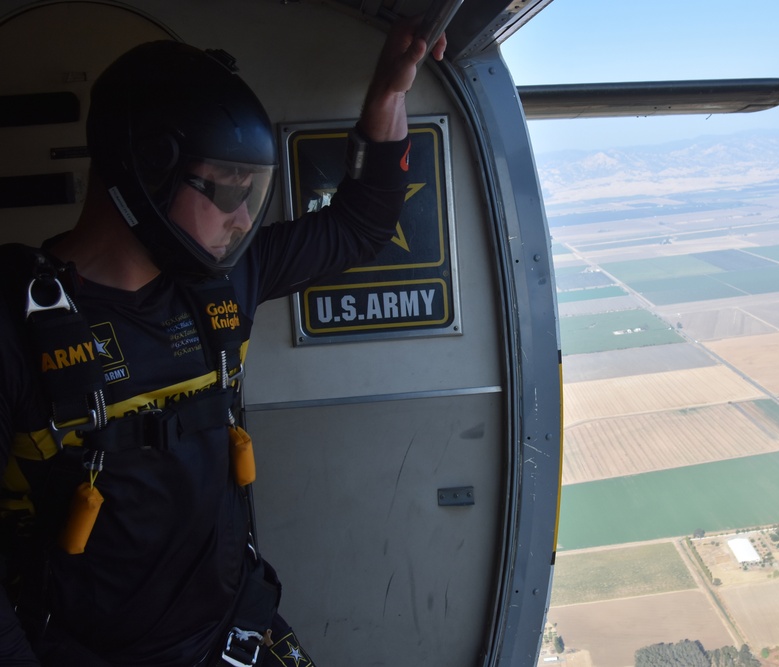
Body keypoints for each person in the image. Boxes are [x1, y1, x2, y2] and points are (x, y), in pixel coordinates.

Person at [0, 16, 446, 667]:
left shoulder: (225, 280)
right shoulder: (15, 328)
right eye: (227, 189)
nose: (244, 218)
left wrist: (386, 94)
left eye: (253, 193)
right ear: (145, 170)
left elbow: (360, 224)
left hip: (237, 632)